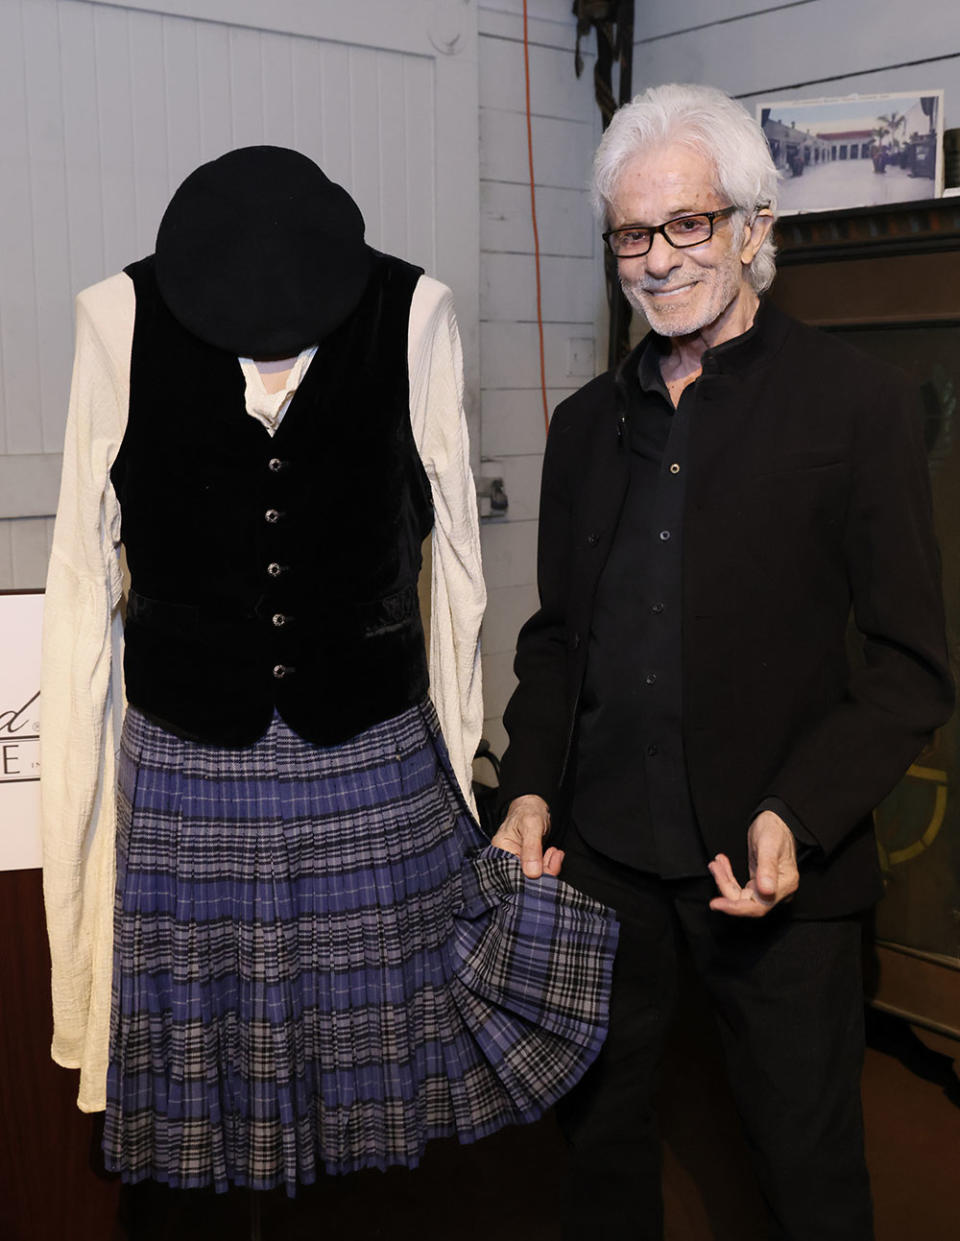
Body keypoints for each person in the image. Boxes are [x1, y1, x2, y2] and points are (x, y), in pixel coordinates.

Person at [40, 146, 617, 1197]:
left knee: (373, 1071)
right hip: (185, 760)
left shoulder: (416, 313)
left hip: (373, 757)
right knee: (211, 1074)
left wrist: (459, 756)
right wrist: (76, 835)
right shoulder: (113, 322)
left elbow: (458, 574)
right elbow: (82, 580)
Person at [493, 83, 953, 1241]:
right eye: (633, 235)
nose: (657, 261)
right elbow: (559, 639)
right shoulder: (584, 425)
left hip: (775, 874)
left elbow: (909, 666)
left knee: (807, 1171)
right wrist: (532, 785)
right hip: (602, 868)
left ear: (756, 228)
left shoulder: (860, 409)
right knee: (599, 1148)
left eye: (687, 224)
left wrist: (799, 808)